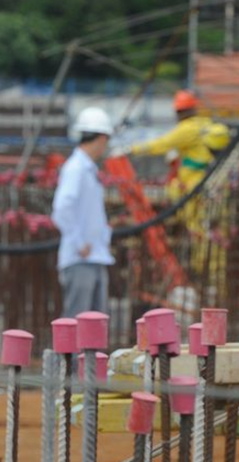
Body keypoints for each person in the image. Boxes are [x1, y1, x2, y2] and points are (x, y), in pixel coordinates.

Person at [52, 107, 115, 317]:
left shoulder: (87, 169)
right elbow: (61, 208)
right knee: (76, 322)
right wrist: (79, 243)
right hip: (80, 258)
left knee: (95, 325)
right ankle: (65, 353)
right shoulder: (76, 168)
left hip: (94, 256)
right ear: (101, 138)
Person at [123, 90, 229, 200]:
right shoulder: (204, 122)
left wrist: (132, 149)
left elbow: (161, 144)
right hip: (211, 178)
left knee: (186, 207)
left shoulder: (186, 128)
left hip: (194, 181)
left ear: (179, 111)